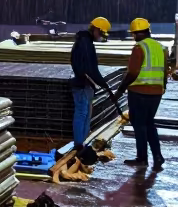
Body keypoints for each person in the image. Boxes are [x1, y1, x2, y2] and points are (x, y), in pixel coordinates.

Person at [114, 18, 169, 170]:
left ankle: (142, 158)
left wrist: (120, 89)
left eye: (134, 34)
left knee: (139, 126)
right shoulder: (160, 47)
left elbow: (133, 72)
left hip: (139, 92)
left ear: (139, 33)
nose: (133, 37)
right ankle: (157, 156)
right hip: (156, 93)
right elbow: (165, 71)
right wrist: (162, 87)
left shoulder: (139, 47)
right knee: (150, 123)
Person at [68, 17, 110, 159]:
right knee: (81, 112)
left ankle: (83, 141)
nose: (101, 37)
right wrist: (102, 83)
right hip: (82, 84)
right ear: (96, 29)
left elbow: (90, 68)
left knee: (85, 113)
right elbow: (89, 68)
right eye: (101, 34)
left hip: (86, 84)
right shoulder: (85, 43)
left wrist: (100, 83)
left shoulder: (85, 42)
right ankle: (79, 144)